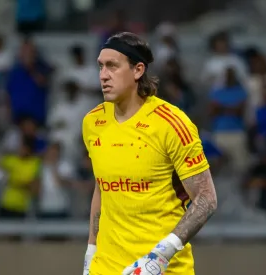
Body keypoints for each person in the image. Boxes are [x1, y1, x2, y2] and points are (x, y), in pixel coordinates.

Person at [82, 32, 217, 275]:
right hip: (106, 267)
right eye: (100, 66)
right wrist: (91, 251)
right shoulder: (93, 122)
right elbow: (102, 188)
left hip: (163, 268)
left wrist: (161, 256)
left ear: (138, 70)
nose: (103, 75)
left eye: (113, 66)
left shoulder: (172, 124)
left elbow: (206, 199)